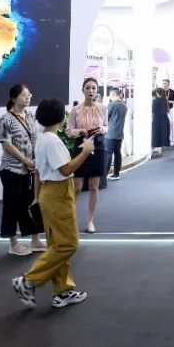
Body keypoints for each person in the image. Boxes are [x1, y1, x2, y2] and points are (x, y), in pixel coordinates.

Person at [12, 98, 94, 309]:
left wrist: (37, 197)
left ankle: (63, 291)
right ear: (60, 117)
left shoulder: (42, 140)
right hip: (59, 193)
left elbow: (39, 172)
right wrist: (85, 151)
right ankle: (28, 281)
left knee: (57, 245)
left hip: (49, 193)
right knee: (68, 244)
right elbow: (66, 170)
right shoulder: (53, 141)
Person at [0, 84, 46, 256]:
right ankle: (13, 243)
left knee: (31, 203)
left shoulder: (30, 116)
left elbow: (35, 139)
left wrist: (35, 160)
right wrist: (25, 160)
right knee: (12, 205)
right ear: (14, 98)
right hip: (11, 169)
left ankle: (35, 239)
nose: (28, 97)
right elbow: (6, 144)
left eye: (29, 94)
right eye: (24, 95)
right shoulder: (6, 118)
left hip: (29, 169)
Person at [66, 77, 108, 234]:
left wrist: (102, 129)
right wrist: (80, 131)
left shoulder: (103, 108)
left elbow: (107, 126)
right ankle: (70, 220)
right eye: (88, 88)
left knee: (94, 186)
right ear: (83, 90)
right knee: (77, 187)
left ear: (97, 91)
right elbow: (69, 131)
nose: (91, 91)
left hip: (98, 147)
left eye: (94, 88)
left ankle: (90, 221)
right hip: (80, 147)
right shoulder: (75, 110)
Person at [106, 88, 128, 180]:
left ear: (113, 95)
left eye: (110, 95)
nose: (110, 97)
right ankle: (116, 174)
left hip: (110, 134)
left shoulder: (111, 105)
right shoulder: (124, 106)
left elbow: (105, 119)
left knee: (108, 154)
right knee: (117, 153)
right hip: (119, 133)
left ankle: (104, 175)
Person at [151, 87, 170, 157]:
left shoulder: (155, 101)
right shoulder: (165, 100)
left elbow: (153, 111)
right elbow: (167, 110)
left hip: (157, 119)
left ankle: (156, 148)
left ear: (157, 93)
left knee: (156, 133)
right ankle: (160, 149)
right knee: (163, 132)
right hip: (164, 118)